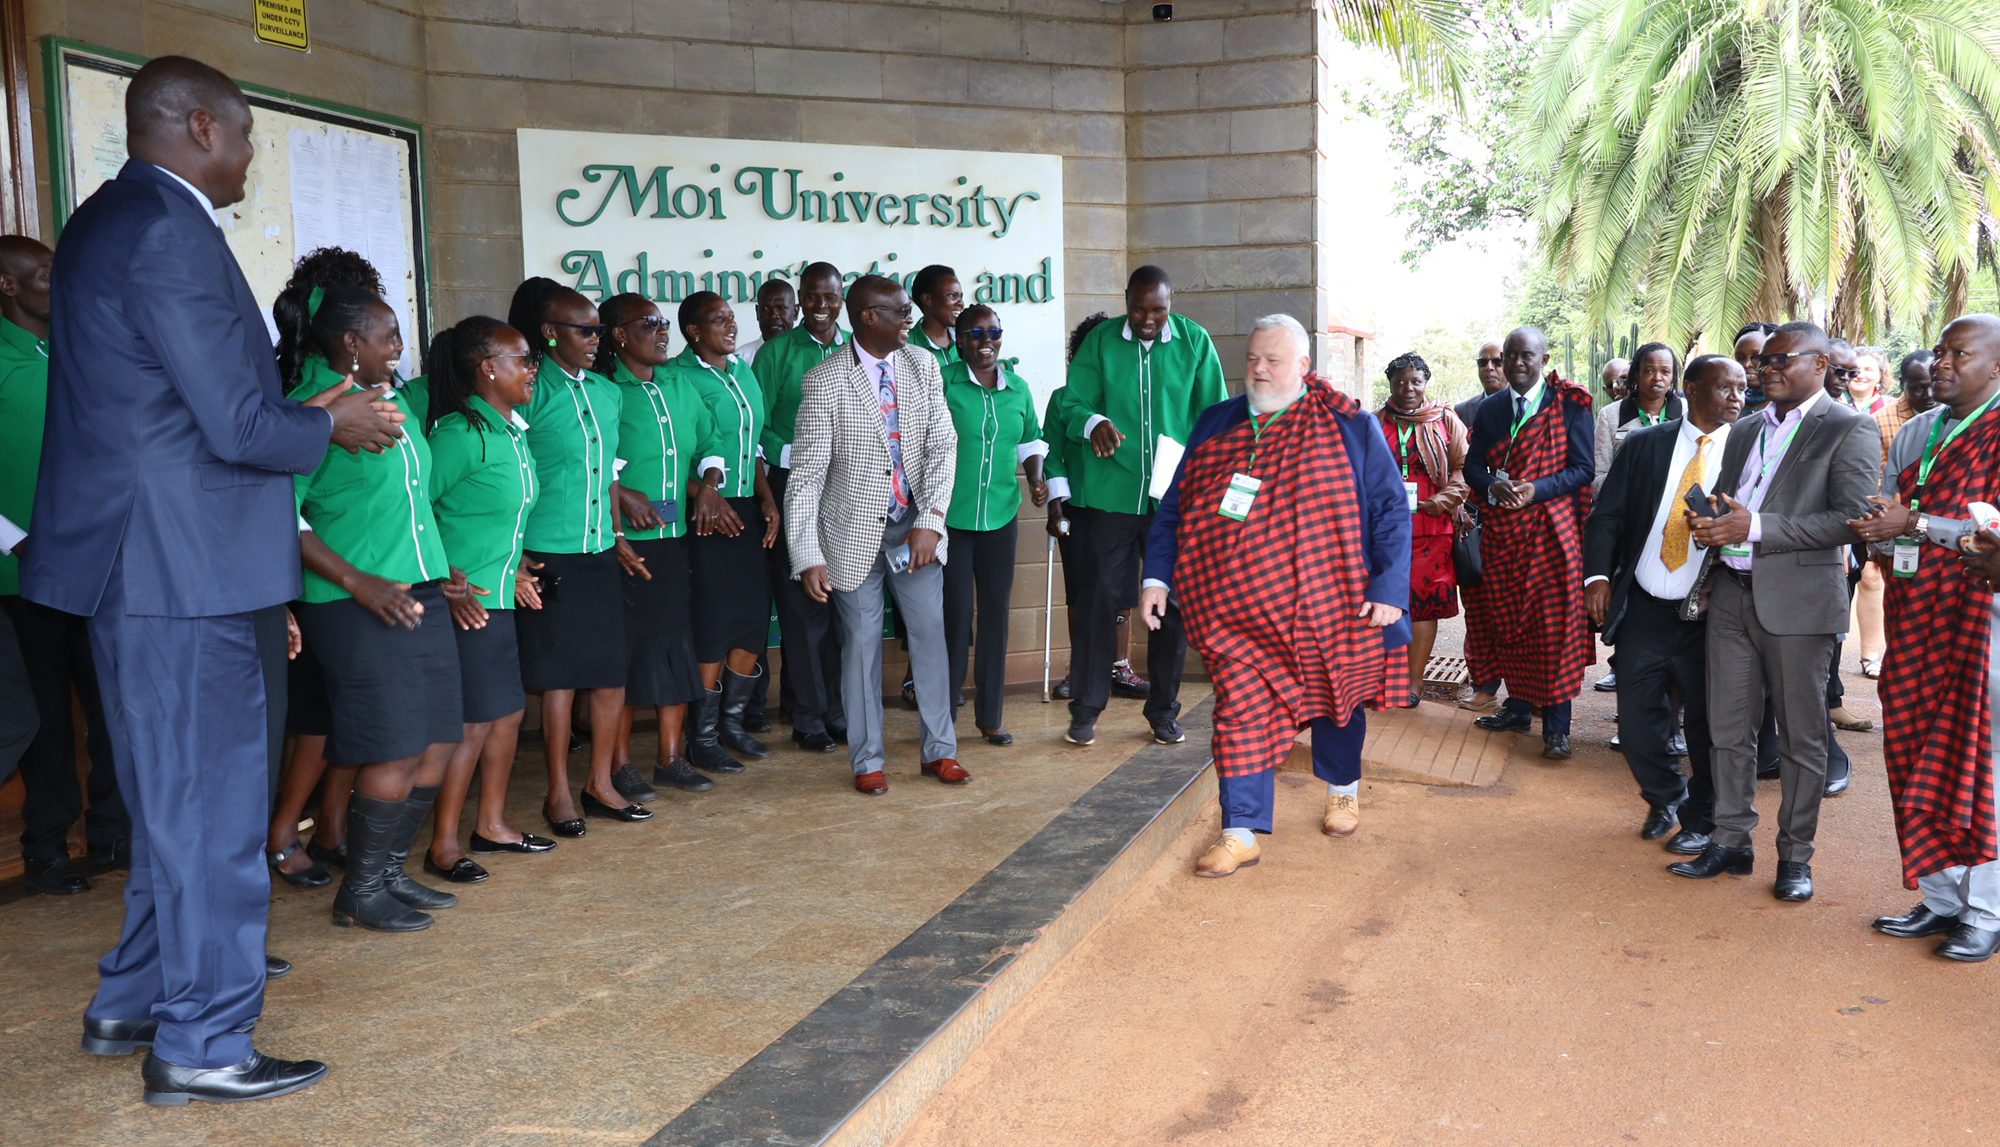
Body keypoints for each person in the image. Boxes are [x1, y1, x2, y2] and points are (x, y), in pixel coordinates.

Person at [25, 56, 402, 1104]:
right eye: (241, 136)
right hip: (180, 568)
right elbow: (235, 426)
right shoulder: (166, 231)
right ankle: (202, 1040)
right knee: (211, 815)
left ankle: (131, 998)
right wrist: (335, 420)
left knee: (171, 806)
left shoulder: (112, 218)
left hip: (153, 563)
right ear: (198, 127)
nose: (246, 156)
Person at [1142, 315, 1409, 876]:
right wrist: (1157, 577)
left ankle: (1342, 789)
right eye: (1252, 359)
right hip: (1234, 614)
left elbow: (1388, 508)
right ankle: (1240, 830)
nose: (1259, 370)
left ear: (1304, 367)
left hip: (1332, 606)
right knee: (1238, 712)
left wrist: (1389, 589)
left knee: (1339, 700)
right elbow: (1175, 508)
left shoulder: (1347, 426)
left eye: (1273, 361)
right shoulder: (1216, 423)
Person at [1669, 321, 1878, 903]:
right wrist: (1714, 522)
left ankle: (1795, 857)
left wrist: (1754, 526)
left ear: (1820, 364)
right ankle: (1731, 841)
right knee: (1727, 730)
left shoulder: (1849, 427)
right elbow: (1739, 503)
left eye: (1783, 360)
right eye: (1765, 362)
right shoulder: (1745, 430)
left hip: (1800, 605)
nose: (1769, 370)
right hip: (1732, 595)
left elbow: (1852, 518)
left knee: (1802, 739)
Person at [284, 283, 465, 931]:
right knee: (392, 744)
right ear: (352, 342)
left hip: (416, 590)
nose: (399, 347)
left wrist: (438, 572)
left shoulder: (388, 396)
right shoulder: (313, 406)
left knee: (440, 737)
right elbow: (278, 509)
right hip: (354, 601)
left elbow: (412, 501)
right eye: (389, 336)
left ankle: (388, 871)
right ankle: (359, 890)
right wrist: (359, 581)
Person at [1852, 314, 2000, 962]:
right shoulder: (1918, 428)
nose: (1940, 363)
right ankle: (1940, 900)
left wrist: (1917, 520)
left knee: (1980, 770)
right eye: (1939, 351)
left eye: (1958, 353)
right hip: (1914, 622)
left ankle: (1986, 910)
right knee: (1913, 757)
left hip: (1979, 629)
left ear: (1996, 366)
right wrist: (1882, 526)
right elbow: (1886, 502)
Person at [787, 274, 961, 794]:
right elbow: (807, 475)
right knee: (861, 644)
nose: (910, 318)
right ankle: (867, 762)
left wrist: (930, 521)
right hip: (851, 536)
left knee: (930, 633)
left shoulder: (922, 365)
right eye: (900, 310)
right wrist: (807, 553)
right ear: (869, 318)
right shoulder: (825, 381)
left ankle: (940, 753)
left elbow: (942, 447)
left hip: (914, 528)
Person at [0, 234, 127, 896]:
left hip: (101, 565)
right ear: (9, 286)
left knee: (111, 705)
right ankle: (47, 846)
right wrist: (13, 538)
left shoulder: (79, 350)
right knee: (48, 716)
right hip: (26, 576)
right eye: (46, 274)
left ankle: (111, 833)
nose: (60, 282)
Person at [264, 246, 393, 889]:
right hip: (323, 583)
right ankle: (285, 829)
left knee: (343, 719)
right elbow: (281, 508)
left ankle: (333, 825)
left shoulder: (361, 391)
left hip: (348, 580)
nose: (391, 338)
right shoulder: (306, 393)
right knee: (318, 718)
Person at [507, 277, 653, 832]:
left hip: (598, 551)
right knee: (562, 679)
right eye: (584, 330)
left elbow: (609, 476)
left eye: (598, 331)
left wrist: (617, 536)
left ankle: (601, 782)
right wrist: (514, 555)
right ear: (549, 333)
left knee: (611, 673)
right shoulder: (532, 389)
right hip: (549, 552)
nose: (596, 340)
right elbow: (515, 477)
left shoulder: (606, 392)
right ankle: (558, 793)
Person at [1059, 265, 1226, 747]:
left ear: (1171, 302)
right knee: (1098, 601)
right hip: (1111, 498)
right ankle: (1086, 709)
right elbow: (1071, 403)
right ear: (1126, 299)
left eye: (1158, 309)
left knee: (1170, 606)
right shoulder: (1102, 342)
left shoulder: (1195, 342)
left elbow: (1215, 417)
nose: (1147, 318)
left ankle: (1163, 711)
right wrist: (1092, 422)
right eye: (1138, 308)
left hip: (1173, 500)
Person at [1584, 355, 1745, 849]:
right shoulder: (1645, 446)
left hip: (1714, 612)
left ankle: (1701, 816)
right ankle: (1663, 795)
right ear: (1691, 389)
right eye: (1726, 388)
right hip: (1647, 605)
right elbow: (1606, 516)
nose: (1738, 397)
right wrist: (1596, 577)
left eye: (1742, 388)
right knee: (1636, 722)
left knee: (1706, 723)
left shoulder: (1747, 452)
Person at [421, 317, 557, 883]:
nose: (532, 369)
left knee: (507, 713)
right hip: (467, 603)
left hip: (502, 594)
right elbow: (418, 511)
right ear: (487, 368)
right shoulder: (459, 433)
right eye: (523, 359)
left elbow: (497, 518)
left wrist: (517, 565)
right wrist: (446, 578)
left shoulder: (510, 432)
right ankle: (444, 844)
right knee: (474, 723)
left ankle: (493, 824)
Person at [601, 293, 722, 795]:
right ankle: (620, 764)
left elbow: (709, 442)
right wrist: (620, 498)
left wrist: (711, 482)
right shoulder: (607, 390)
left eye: (663, 321)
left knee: (676, 647)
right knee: (631, 658)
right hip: (627, 547)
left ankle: (670, 758)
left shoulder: (677, 382)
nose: (662, 330)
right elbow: (594, 462)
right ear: (619, 336)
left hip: (675, 540)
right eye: (648, 323)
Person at [1463, 327, 1595, 759]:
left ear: (1544, 357)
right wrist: (1492, 489)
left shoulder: (1569, 405)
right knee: (1509, 621)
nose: (1517, 363)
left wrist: (1535, 489)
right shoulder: (1491, 408)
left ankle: (1557, 727)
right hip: (1503, 534)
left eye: (1527, 356)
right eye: (1510, 356)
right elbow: (1473, 466)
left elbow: (1582, 469)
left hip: (1551, 534)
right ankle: (1517, 708)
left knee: (1551, 626)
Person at [677, 291, 784, 767]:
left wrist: (766, 497)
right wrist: (705, 494)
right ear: (693, 332)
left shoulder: (743, 372)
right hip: (704, 514)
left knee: (749, 619)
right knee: (712, 623)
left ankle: (732, 724)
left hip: (746, 508)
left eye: (730, 317)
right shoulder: (676, 378)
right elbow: (673, 454)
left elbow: (754, 444)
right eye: (717, 320)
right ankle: (700, 737)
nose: (730, 324)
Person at [941, 305, 1047, 745]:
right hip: (950, 517)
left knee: (996, 618)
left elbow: (1030, 441)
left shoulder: (1018, 389)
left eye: (995, 332)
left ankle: (991, 717)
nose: (987, 341)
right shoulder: (942, 383)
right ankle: (942, 715)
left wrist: (1038, 479)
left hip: (1001, 515)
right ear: (960, 338)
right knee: (953, 616)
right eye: (977, 333)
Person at [753, 263, 847, 752]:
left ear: (842, 297)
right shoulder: (776, 353)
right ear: (801, 301)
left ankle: (837, 709)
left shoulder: (857, 348)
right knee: (801, 604)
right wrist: (795, 452)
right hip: (794, 483)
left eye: (830, 297)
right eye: (812, 298)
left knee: (840, 604)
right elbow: (756, 425)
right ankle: (808, 716)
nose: (821, 307)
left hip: (850, 488)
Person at [1374, 352, 1467, 707]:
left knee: (1423, 606)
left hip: (1432, 524)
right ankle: (1387, 679)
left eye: (1415, 381)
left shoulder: (1444, 419)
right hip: (1386, 528)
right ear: (1390, 384)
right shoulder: (1375, 422)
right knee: (1387, 602)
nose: (1407, 388)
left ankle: (1413, 685)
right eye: (1400, 382)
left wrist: (1443, 500)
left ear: (1426, 382)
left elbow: (1462, 467)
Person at [1592, 344, 1681, 496]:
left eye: (1665, 372)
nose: (1657, 378)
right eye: (1649, 371)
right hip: (1627, 512)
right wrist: (1635, 476)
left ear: (1672, 377)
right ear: (1636, 375)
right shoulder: (1610, 415)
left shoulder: (1687, 412)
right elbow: (1596, 482)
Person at [910, 263, 964, 373]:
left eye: (960, 297)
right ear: (927, 299)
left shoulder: (967, 340)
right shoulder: (904, 345)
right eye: (952, 296)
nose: (960, 303)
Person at [736, 275, 798, 364]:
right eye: (765, 309)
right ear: (757, 312)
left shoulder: (809, 355)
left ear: (795, 312)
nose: (773, 315)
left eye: (780, 308)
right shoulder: (739, 360)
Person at [1454, 341, 1506, 426]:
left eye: (1497, 362)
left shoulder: (1522, 405)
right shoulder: (1462, 411)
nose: (1489, 367)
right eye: (1483, 362)